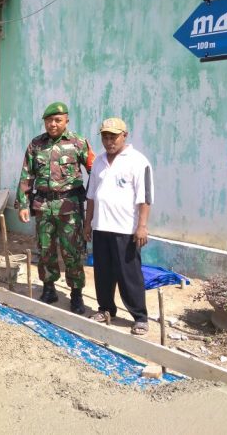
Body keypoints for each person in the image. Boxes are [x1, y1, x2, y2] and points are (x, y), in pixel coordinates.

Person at [15, 102, 94, 314]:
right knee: (46, 250)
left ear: (66, 120)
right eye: (49, 120)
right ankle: (49, 288)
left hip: (69, 207)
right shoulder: (36, 145)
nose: (53, 124)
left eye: (57, 120)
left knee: (72, 252)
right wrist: (23, 203)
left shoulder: (78, 143)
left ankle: (76, 294)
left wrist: (98, 201)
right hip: (43, 206)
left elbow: (95, 172)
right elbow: (26, 175)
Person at [83, 117, 153, 335]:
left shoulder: (138, 161)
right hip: (101, 226)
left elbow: (145, 197)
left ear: (125, 135)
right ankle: (106, 309)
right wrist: (88, 224)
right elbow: (91, 196)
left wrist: (142, 226)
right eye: (105, 136)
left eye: (113, 136)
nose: (109, 140)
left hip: (126, 229)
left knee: (128, 274)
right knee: (103, 272)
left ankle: (140, 317)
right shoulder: (98, 162)